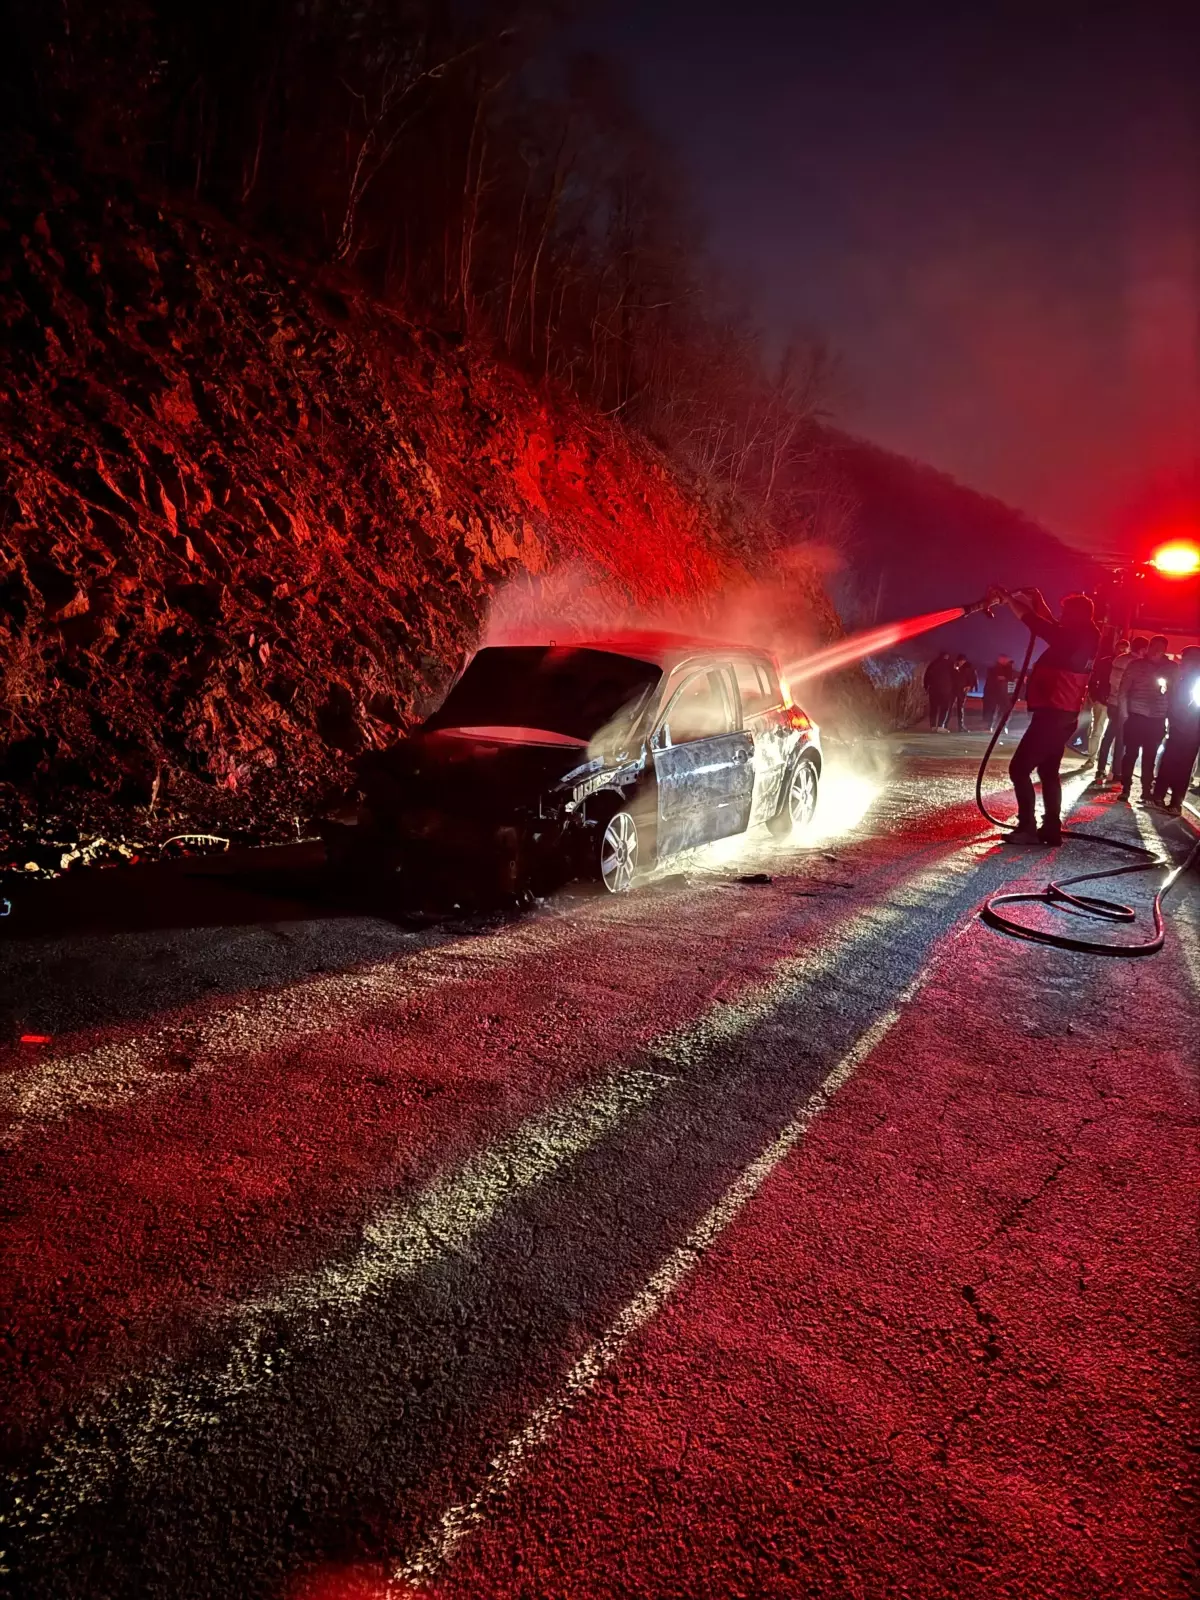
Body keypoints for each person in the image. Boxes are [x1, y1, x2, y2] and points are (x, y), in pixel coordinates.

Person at [1001, 587, 1100, 845]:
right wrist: (1039, 599)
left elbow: (1037, 624)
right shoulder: (1083, 635)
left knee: (1019, 768)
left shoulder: (1075, 637)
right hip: (1062, 713)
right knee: (1048, 771)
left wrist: (1008, 599)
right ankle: (1051, 829)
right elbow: (1051, 626)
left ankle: (1027, 828)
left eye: (1066, 613)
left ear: (1077, 616)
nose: (1061, 616)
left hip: (1053, 715)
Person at [1118, 636, 1171, 802]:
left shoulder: (1170, 668)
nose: (1156, 650)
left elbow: (1174, 693)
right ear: (1148, 647)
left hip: (1157, 717)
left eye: (1160, 647)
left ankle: (1146, 790)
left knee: (1150, 755)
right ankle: (1126, 787)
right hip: (1136, 715)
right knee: (1130, 753)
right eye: (1153, 646)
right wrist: (1124, 714)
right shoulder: (1136, 665)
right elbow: (1123, 690)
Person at [1151, 646, 1200, 816]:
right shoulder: (1182, 677)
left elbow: (1192, 706)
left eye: (1185, 658)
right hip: (1178, 727)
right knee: (1170, 761)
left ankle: (1175, 802)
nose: (1182, 661)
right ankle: (1159, 795)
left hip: (1191, 730)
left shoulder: (1195, 679)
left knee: (1182, 765)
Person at [1096, 637, 1144, 785]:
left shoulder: (1119, 659)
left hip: (1112, 702)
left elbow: (1112, 681)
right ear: (1142, 649)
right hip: (1123, 704)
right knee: (1121, 739)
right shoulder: (1136, 664)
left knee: (1109, 735)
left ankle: (1101, 768)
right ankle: (1116, 772)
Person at [982, 655, 1016, 732]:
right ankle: (990, 726)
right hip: (995, 693)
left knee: (1004, 710)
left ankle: (1002, 726)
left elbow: (1011, 676)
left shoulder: (1008, 669)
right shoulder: (993, 669)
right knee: (993, 710)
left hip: (1003, 694)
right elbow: (991, 680)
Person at [923, 652, 956, 731]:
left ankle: (933, 726)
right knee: (944, 708)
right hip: (945, 690)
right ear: (947, 656)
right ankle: (940, 726)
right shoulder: (950, 664)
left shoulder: (933, 663)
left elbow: (927, 676)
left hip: (933, 689)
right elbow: (955, 677)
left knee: (933, 708)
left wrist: (926, 687)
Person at [951, 654, 977, 730]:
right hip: (954, 689)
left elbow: (972, 678)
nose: (961, 662)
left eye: (963, 661)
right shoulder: (954, 667)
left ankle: (961, 726)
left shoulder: (968, 668)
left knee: (960, 707)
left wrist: (969, 686)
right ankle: (944, 724)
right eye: (960, 661)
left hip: (962, 690)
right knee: (949, 706)